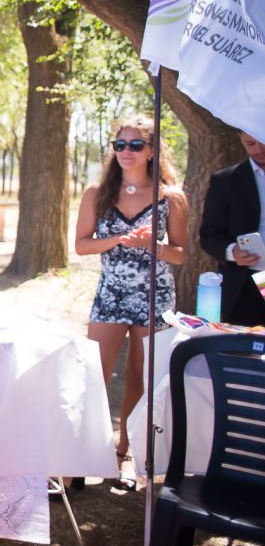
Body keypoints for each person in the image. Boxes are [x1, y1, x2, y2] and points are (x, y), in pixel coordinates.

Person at [75, 115, 188, 490]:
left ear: (152, 151)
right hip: (111, 294)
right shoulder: (97, 193)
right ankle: (76, 459)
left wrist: (151, 246)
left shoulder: (171, 197)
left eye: (135, 145)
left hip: (153, 297)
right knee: (94, 374)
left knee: (138, 378)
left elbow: (180, 254)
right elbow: (81, 245)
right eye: (120, 145)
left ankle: (122, 456)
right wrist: (121, 240)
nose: (126, 151)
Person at [199, 129, 265, 326]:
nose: (259, 150)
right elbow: (209, 235)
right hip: (246, 282)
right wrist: (232, 251)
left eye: (262, 142)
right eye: (250, 144)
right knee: (242, 351)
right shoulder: (225, 181)